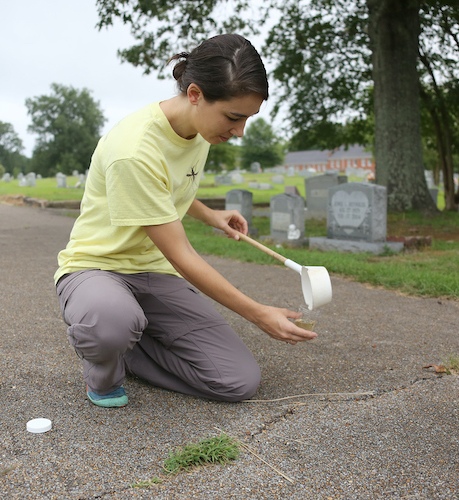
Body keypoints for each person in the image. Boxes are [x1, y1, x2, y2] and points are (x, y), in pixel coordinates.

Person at [55, 34, 317, 408]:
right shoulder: (133, 149)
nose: (239, 131)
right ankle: (105, 367)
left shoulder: (198, 129)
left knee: (237, 381)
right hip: (97, 268)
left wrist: (211, 215)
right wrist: (258, 314)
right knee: (110, 324)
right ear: (195, 94)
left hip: (154, 275)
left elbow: (171, 187)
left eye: (248, 119)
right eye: (233, 117)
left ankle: (130, 347)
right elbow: (182, 255)